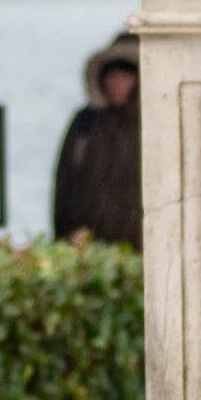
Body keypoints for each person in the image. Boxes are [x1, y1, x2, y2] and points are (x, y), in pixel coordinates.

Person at [51, 32, 142, 247]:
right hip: (88, 246)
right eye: (112, 76)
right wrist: (65, 236)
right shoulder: (85, 123)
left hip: (142, 247)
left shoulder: (156, 125)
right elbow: (64, 184)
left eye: (125, 76)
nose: (117, 83)